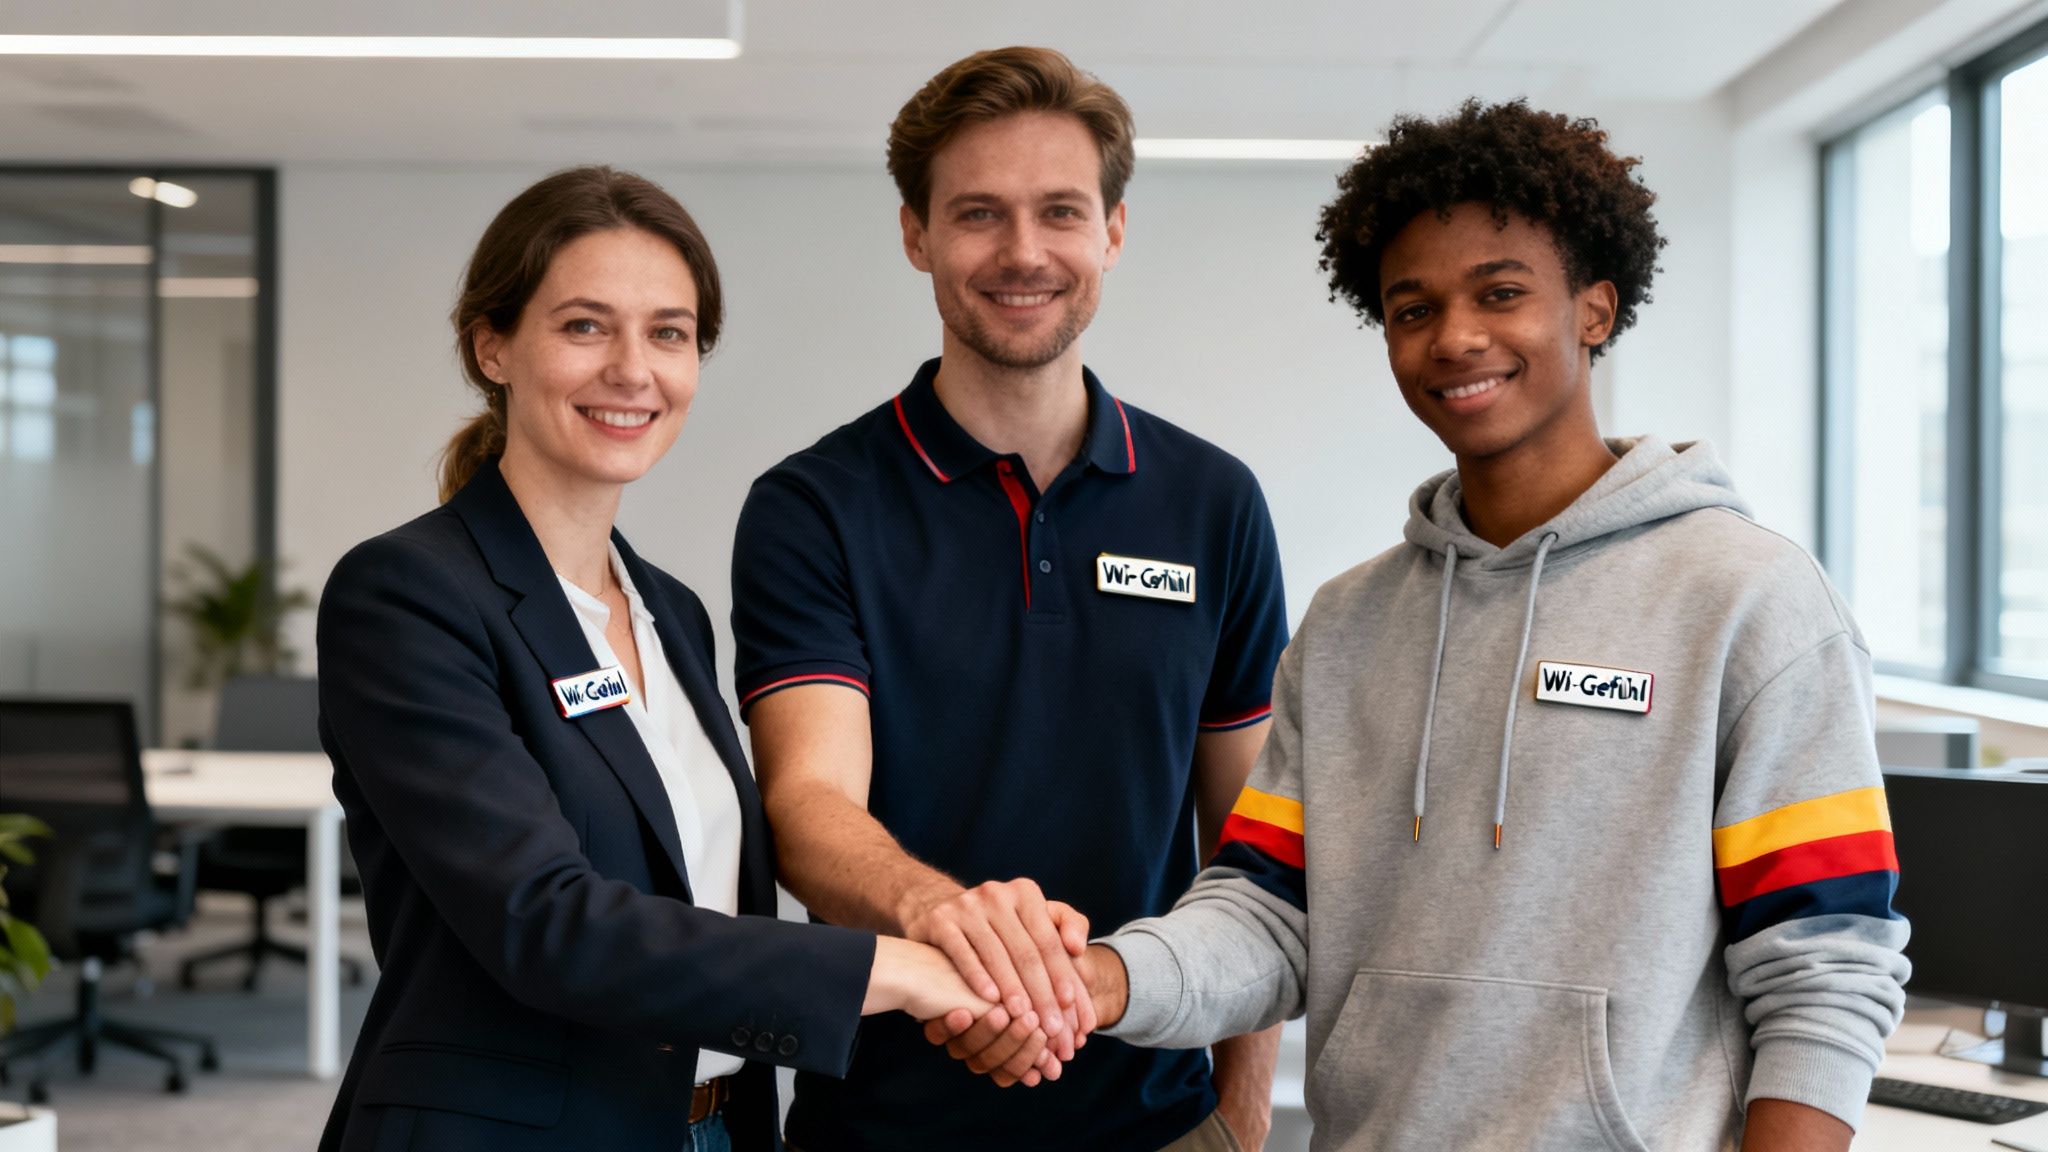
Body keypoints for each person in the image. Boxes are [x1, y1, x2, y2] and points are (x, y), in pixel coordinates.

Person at [937, 99, 1913, 1150]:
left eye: (1500, 294)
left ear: (1592, 308)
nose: (1454, 338)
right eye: (1411, 309)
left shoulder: (1747, 601)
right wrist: (1100, 980)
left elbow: (1824, 966)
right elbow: (1268, 916)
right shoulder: (1352, 622)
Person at [314, 166, 995, 1152]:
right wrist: (890, 969)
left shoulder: (670, 611)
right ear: (492, 345)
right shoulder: (408, 595)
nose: (633, 369)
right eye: (585, 326)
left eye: (668, 333)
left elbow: (697, 887)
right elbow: (543, 921)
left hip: (710, 1129)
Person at [729, 47, 1289, 1152]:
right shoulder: (814, 507)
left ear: (1112, 233)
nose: (1022, 253)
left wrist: (1242, 1120)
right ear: (915, 234)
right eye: (978, 213)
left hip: (1157, 1123)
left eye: (1060, 212)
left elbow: (1247, 843)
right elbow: (808, 809)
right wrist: (958, 927)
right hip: (881, 1125)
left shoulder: (1212, 503)